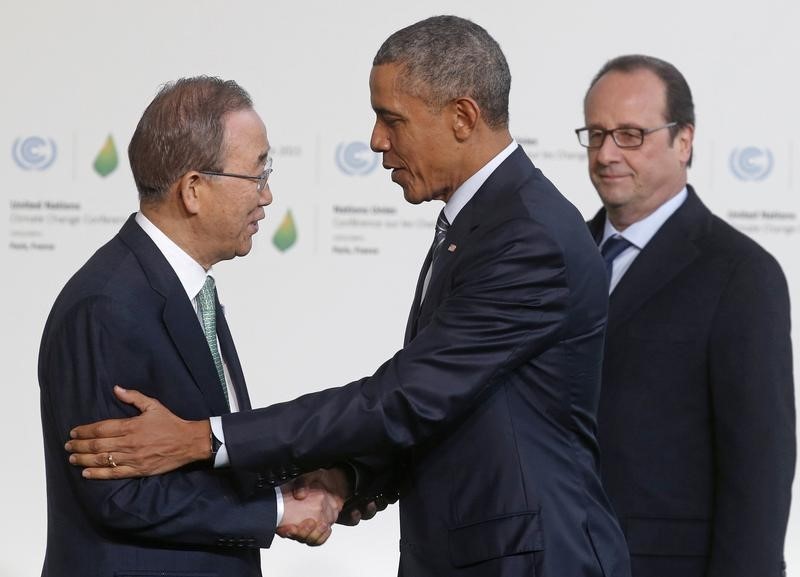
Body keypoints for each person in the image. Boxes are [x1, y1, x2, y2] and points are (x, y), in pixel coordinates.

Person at [66, 17, 632, 577]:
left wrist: (205, 438)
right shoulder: (486, 225)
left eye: (392, 119)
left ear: (462, 117)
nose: (376, 140)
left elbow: (406, 398)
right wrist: (348, 478)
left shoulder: (526, 237)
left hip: (528, 558)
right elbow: (440, 402)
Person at [38, 76, 347, 577]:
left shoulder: (189, 289)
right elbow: (116, 494)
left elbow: (202, 456)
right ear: (194, 189)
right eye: (257, 175)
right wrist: (276, 512)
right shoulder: (105, 305)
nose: (268, 195)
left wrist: (293, 480)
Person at [576, 54, 795, 577]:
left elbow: (758, 471)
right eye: (597, 133)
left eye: (631, 134)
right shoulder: (558, 260)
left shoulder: (741, 275)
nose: (607, 153)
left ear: (684, 140)